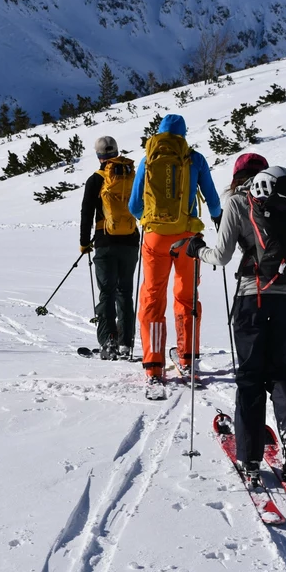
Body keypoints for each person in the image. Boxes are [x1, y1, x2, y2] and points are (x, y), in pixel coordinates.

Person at [186, 163, 286, 486]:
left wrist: (197, 249)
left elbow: (222, 255)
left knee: (251, 376)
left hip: (252, 297)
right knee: (279, 369)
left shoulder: (239, 203)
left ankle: (251, 458)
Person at [129, 114, 222, 394]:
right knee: (186, 297)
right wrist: (215, 217)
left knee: (153, 296)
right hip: (187, 240)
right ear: (183, 134)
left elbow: (134, 206)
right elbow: (214, 200)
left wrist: (151, 220)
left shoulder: (148, 159)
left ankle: (154, 365)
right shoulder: (195, 159)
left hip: (155, 239)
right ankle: (187, 359)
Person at [79, 136, 140, 360]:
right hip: (131, 241)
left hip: (105, 241)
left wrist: (84, 243)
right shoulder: (132, 176)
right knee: (125, 292)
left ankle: (108, 341)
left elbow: (87, 213)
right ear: (116, 152)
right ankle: (126, 343)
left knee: (107, 292)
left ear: (98, 156)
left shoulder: (96, 179)